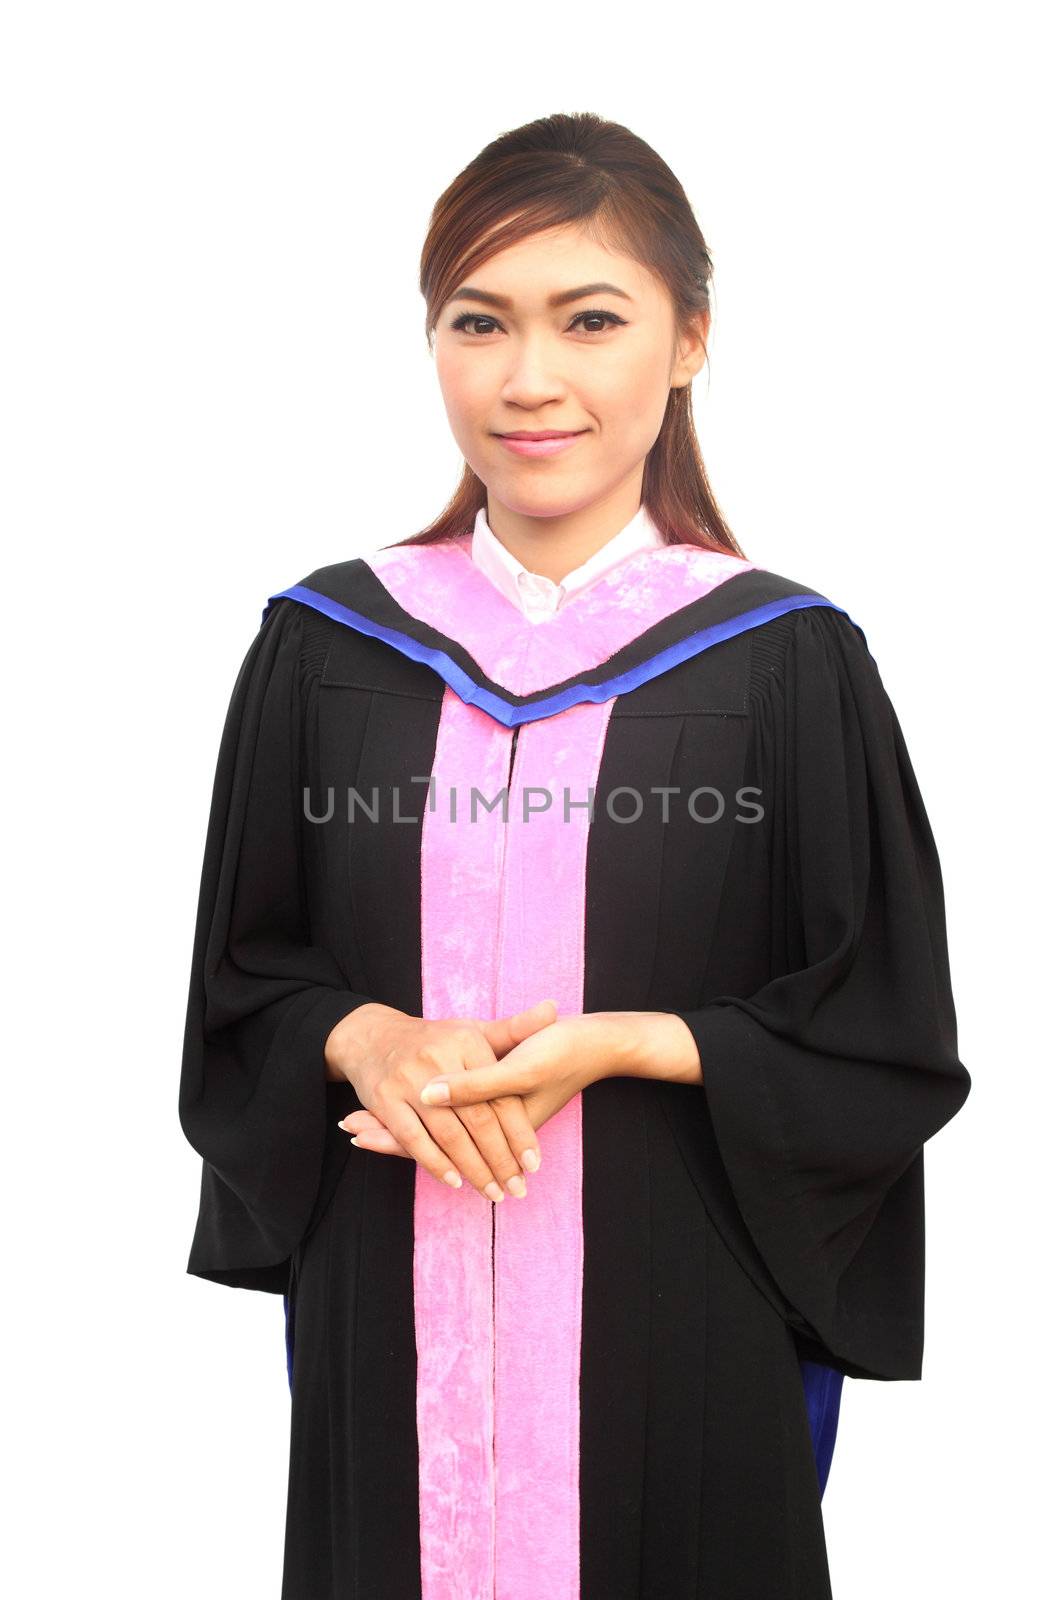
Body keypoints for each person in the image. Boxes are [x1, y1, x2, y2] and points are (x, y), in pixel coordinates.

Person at [178, 111, 971, 1600]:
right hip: (389, 1338)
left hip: (682, 1337)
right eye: (479, 322)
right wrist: (364, 1038)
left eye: (589, 320)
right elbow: (242, 980)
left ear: (687, 341)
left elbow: (886, 1038)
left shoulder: (787, 662)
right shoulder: (327, 646)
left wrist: (631, 1045)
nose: (528, 378)